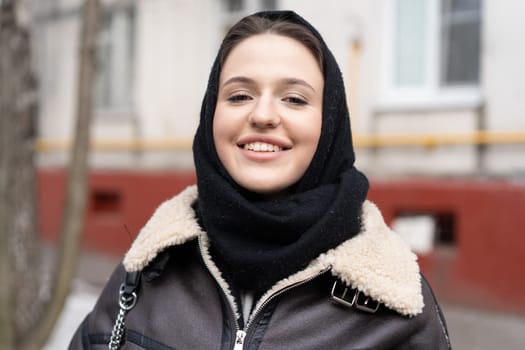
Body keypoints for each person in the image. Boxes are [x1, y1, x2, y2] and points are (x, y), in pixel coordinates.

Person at [69, 10, 451, 350]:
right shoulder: (147, 269)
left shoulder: (396, 299)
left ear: (330, 123)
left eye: (295, 99)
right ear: (210, 114)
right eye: (239, 96)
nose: (264, 115)